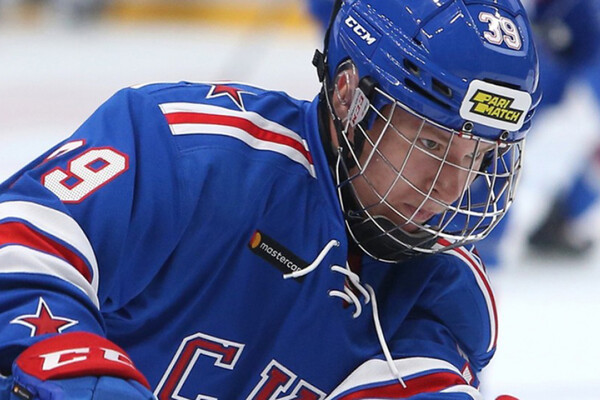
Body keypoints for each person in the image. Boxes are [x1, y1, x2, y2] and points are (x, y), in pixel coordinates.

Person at [0, 0, 539, 399]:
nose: (454, 186)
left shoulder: (439, 291)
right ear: (349, 96)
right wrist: (80, 375)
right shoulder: (190, 154)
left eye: (479, 155)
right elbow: (20, 246)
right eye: (431, 144)